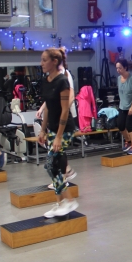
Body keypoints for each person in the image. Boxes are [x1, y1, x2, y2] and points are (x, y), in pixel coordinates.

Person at [38, 48, 79, 217]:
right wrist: (43, 129)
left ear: (54, 62)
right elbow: (48, 107)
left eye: (44, 60)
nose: (41, 63)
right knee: (52, 166)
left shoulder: (62, 81)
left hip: (66, 129)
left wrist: (59, 137)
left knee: (51, 164)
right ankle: (60, 203)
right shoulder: (46, 81)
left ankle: (69, 201)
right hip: (53, 128)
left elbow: (64, 110)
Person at [116, 59, 132, 155]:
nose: (118, 70)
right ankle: (128, 141)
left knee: (129, 126)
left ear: (125, 67)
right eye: (117, 68)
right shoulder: (118, 79)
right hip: (123, 107)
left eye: (120, 68)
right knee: (120, 125)